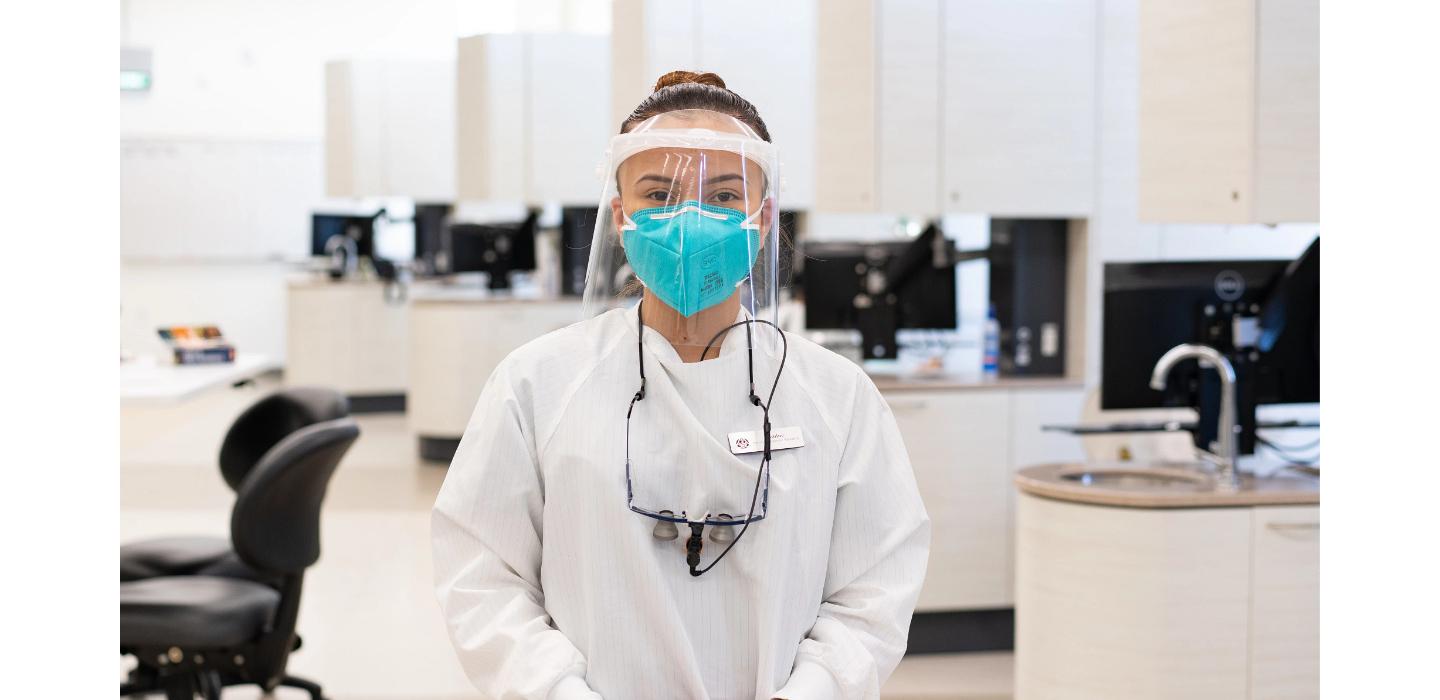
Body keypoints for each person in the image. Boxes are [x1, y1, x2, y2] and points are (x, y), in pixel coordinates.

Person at [432, 70, 930, 700]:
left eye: (724, 198)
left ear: (764, 215)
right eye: (660, 197)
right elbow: (482, 575)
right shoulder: (536, 384)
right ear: (621, 215)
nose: (691, 223)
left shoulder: (839, 396)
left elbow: (875, 589)